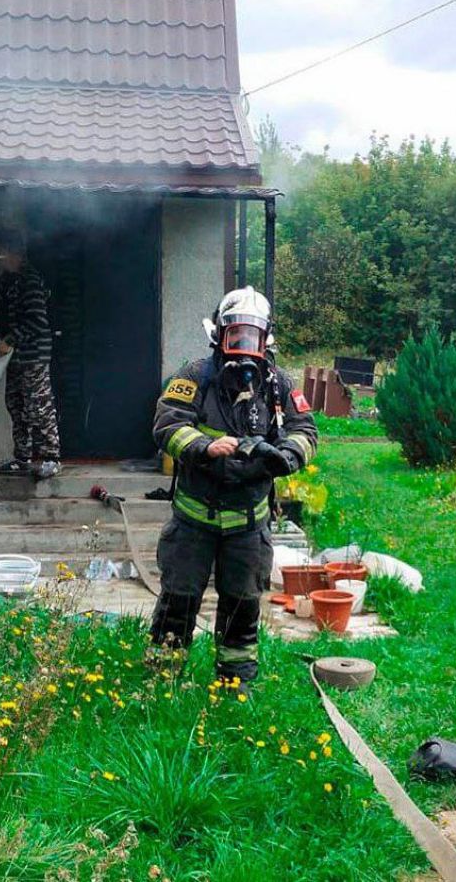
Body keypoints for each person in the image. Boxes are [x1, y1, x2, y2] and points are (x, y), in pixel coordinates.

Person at [149, 287, 317, 693]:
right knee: (178, 602)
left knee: (243, 608)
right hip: (193, 520)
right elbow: (166, 426)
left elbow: (306, 431)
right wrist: (204, 446)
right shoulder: (194, 376)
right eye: (236, 337)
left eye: (253, 337)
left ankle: (233, 688)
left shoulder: (278, 385)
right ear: (218, 336)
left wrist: (287, 456)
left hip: (248, 524)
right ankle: (160, 685)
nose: (245, 349)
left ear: (267, 338)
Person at [0, 226, 61, 479]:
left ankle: (51, 457)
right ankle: (22, 458)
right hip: (14, 358)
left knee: (38, 406)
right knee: (15, 405)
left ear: (14, 253)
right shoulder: (7, 280)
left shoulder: (30, 279)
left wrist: (11, 339)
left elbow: (37, 320)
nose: (0, 260)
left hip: (34, 355)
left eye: (1, 255)